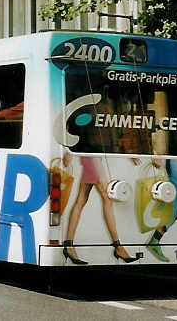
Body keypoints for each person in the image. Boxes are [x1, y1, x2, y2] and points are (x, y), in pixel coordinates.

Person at [62, 92, 135, 264]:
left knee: (81, 200)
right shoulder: (90, 113)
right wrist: (69, 150)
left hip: (95, 156)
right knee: (106, 197)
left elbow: (110, 136)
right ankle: (118, 246)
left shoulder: (104, 113)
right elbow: (76, 128)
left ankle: (68, 244)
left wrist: (126, 151)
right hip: (90, 156)